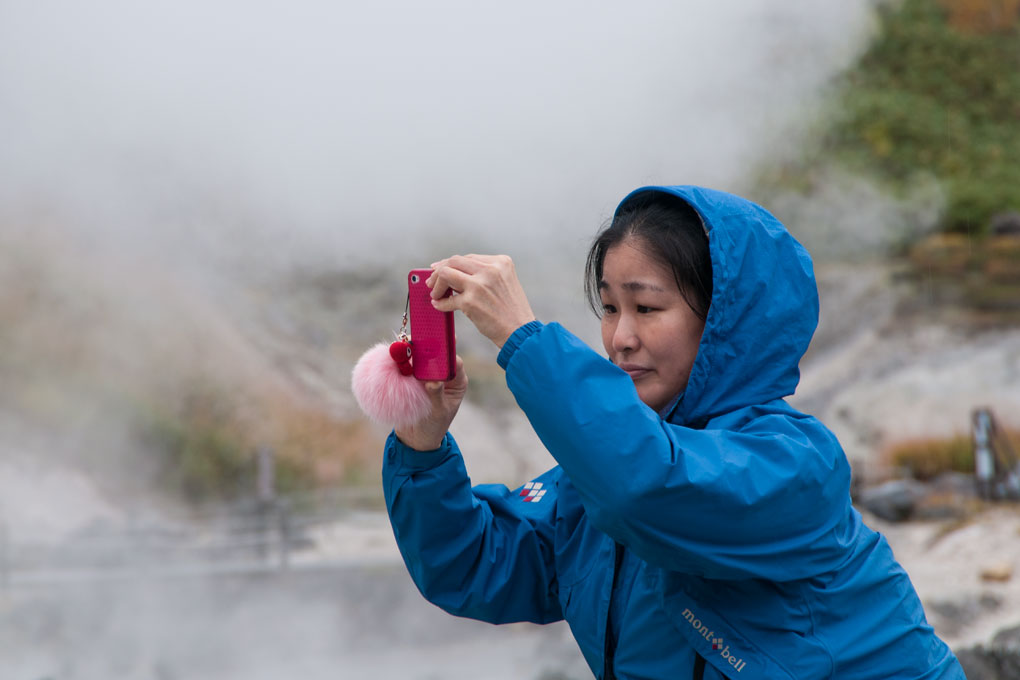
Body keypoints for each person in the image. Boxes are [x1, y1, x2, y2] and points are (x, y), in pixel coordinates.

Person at [383, 185, 965, 679]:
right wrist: (422, 445)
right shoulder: (599, 476)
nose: (620, 338)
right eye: (610, 308)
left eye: (648, 308)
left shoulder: (796, 464)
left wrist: (522, 336)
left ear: (722, 321)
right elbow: (477, 565)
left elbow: (648, 488)